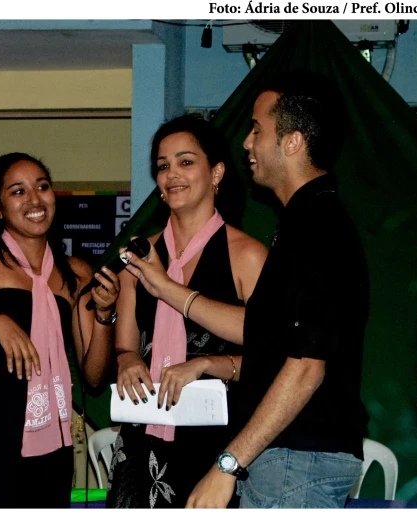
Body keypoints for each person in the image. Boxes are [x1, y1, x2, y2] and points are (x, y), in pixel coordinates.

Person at [185, 71, 370, 508]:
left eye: (256, 129)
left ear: (292, 142)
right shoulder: (303, 225)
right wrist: (216, 363)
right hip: (286, 462)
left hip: (295, 463)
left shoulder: (317, 228)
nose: (247, 143)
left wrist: (228, 464)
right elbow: (277, 349)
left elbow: (307, 366)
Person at [0, 152, 121, 508]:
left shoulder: (76, 274)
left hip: (54, 448)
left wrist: (106, 315)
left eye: (42, 187)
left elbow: (94, 377)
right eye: (18, 191)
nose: (34, 199)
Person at [105, 115, 268, 509]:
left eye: (185, 162)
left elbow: (276, 356)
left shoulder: (247, 255)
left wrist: (207, 363)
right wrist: (126, 360)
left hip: (220, 448)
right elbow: (125, 347)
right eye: (162, 166)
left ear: (216, 173)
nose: (172, 174)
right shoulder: (139, 256)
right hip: (141, 443)